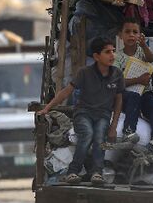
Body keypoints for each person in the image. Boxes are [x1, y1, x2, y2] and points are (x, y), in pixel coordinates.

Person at [39, 37, 125, 186]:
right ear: (97, 56)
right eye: (107, 52)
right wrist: (47, 108)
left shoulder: (117, 74)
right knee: (87, 134)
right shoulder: (85, 72)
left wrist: (113, 126)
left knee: (100, 138)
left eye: (113, 51)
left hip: (103, 115)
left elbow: (118, 101)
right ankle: (73, 171)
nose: (112, 55)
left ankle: (97, 173)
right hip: (84, 113)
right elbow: (67, 91)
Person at [115, 18, 153, 153]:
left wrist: (144, 45)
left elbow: (150, 59)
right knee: (133, 96)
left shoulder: (141, 52)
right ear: (120, 35)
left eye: (135, 32)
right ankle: (128, 131)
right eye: (127, 32)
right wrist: (138, 80)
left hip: (144, 93)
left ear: (139, 35)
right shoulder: (117, 57)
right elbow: (117, 81)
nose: (131, 35)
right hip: (126, 95)